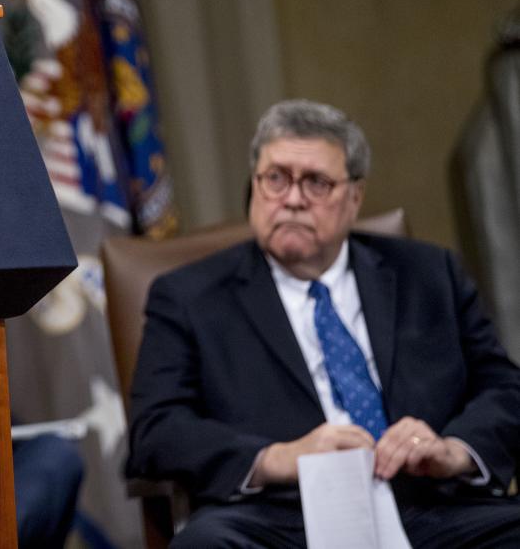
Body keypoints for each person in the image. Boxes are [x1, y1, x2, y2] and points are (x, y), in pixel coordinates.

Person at [126, 99, 520, 547]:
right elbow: (155, 431)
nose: (292, 199)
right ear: (254, 185)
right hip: (281, 519)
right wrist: (277, 458)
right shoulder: (189, 297)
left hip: (434, 508)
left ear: (354, 198)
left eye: (315, 182)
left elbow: (506, 389)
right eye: (275, 179)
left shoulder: (430, 274)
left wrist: (454, 451)